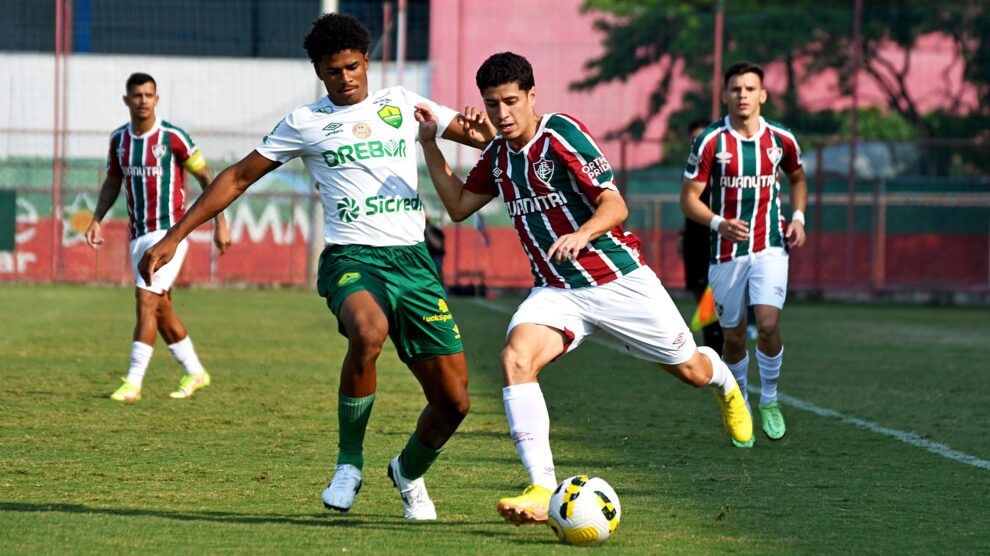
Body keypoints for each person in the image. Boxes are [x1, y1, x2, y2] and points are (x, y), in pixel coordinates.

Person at [138, 13, 492, 520]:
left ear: (365, 61)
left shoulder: (404, 103)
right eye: (332, 71)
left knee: (455, 403)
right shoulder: (305, 122)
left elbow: (482, 139)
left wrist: (479, 132)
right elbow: (238, 176)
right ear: (319, 73)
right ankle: (349, 463)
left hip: (413, 265)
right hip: (351, 260)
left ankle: (408, 473)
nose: (344, 78)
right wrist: (175, 236)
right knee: (367, 332)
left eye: (351, 67)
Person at [415, 51, 753, 526]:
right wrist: (431, 143)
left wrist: (582, 233)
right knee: (516, 357)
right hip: (557, 290)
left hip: (619, 281)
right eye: (492, 105)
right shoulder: (496, 157)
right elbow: (456, 206)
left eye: (511, 101)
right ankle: (541, 485)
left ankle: (725, 382)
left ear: (533, 95)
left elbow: (615, 205)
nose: (502, 114)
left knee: (691, 371)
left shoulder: (562, 134)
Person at [680, 61, 808, 446]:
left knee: (767, 324)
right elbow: (688, 200)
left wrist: (799, 217)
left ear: (762, 95)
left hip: (770, 246)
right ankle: (741, 404)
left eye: (750, 89)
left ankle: (768, 399)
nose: (743, 96)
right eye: (735, 89)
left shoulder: (781, 139)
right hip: (725, 253)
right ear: (724, 95)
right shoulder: (710, 141)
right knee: (732, 338)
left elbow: (798, 178)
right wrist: (719, 223)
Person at [86, 72, 231, 403]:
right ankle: (195, 372)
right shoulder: (119, 140)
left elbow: (208, 178)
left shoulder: (173, 137)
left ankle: (133, 382)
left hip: (171, 233)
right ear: (127, 100)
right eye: (136, 95)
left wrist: (220, 222)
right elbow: (112, 182)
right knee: (161, 309)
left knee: (145, 299)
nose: (142, 101)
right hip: (137, 234)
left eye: (148, 95)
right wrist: (96, 219)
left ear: (156, 99)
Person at [680, 118, 724, 355]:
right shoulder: (691, 168)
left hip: (717, 239)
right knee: (699, 291)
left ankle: (719, 343)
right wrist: (682, 234)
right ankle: (711, 340)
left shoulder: (722, 168)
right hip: (694, 238)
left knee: (716, 292)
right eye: (694, 138)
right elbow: (687, 204)